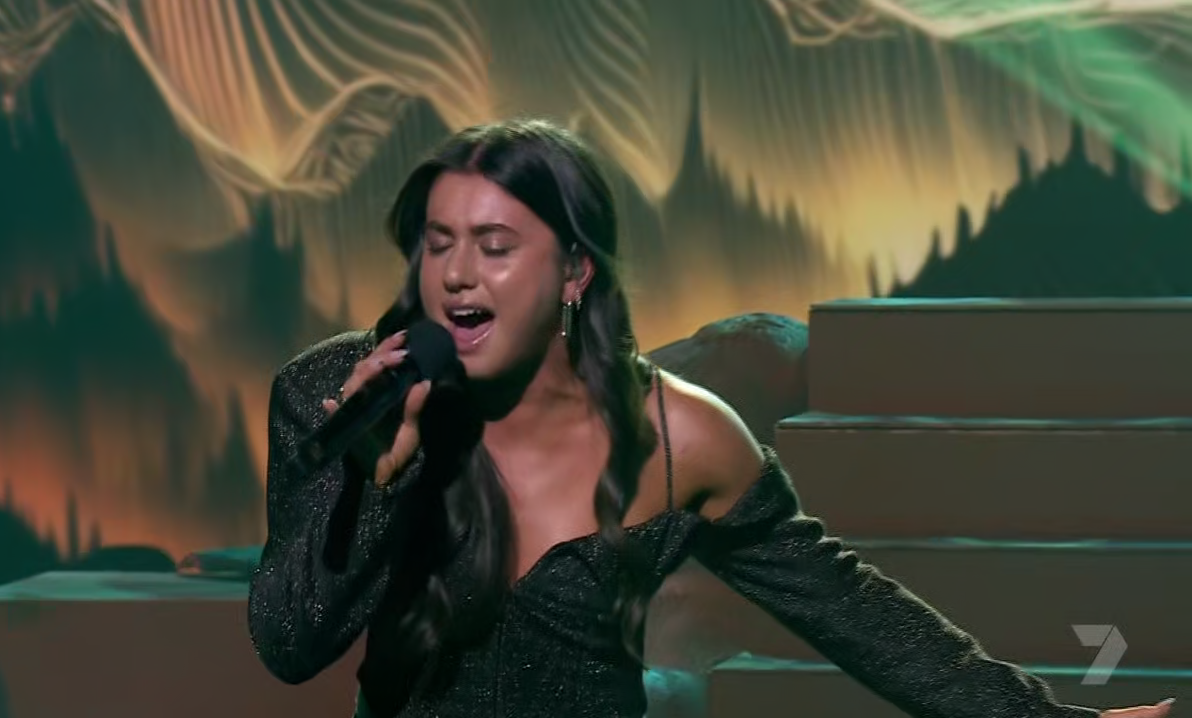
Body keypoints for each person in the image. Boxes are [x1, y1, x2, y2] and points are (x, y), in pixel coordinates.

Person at [247, 118, 1175, 718]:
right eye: (438, 243)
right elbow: (291, 645)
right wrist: (373, 480)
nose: (455, 275)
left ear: (574, 272)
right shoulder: (335, 394)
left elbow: (853, 613)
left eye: (494, 246)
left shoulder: (680, 436)